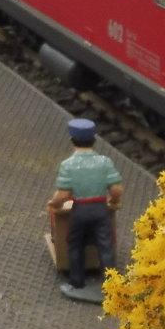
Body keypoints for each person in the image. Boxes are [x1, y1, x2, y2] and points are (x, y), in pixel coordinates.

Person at [49, 118, 124, 302]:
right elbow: (116, 189)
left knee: (75, 244)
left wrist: (55, 205)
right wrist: (113, 202)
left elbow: (63, 194)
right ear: (94, 140)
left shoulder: (68, 164)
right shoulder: (105, 162)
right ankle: (110, 284)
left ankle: (77, 282)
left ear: (72, 140)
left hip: (80, 211)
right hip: (100, 210)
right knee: (106, 246)